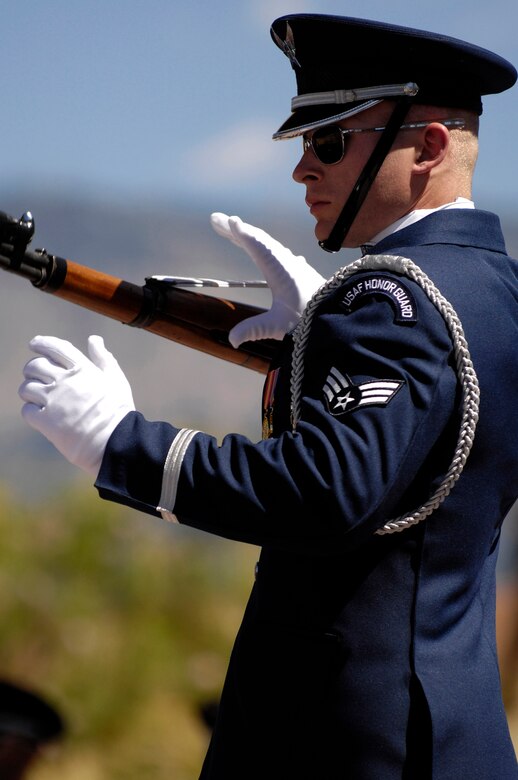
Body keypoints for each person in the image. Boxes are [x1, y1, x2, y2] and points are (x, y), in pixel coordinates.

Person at [16, 14, 518, 779]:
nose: (302, 172)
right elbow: (430, 455)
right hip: (444, 729)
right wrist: (318, 351)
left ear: (431, 148)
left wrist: (119, 441)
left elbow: (325, 492)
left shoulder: (393, 300)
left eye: (329, 142)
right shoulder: (495, 291)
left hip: (340, 742)